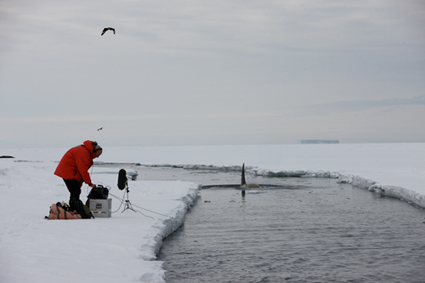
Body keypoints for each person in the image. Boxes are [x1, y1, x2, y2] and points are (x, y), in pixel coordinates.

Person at [54, 140, 103, 210]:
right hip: (67, 171)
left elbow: (80, 170)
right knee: (75, 191)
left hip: (70, 171)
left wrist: (80, 181)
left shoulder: (85, 151)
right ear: (93, 151)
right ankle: (74, 209)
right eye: (97, 155)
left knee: (76, 190)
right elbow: (82, 170)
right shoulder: (83, 152)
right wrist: (89, 183)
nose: (97, 157)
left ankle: (73, 208)